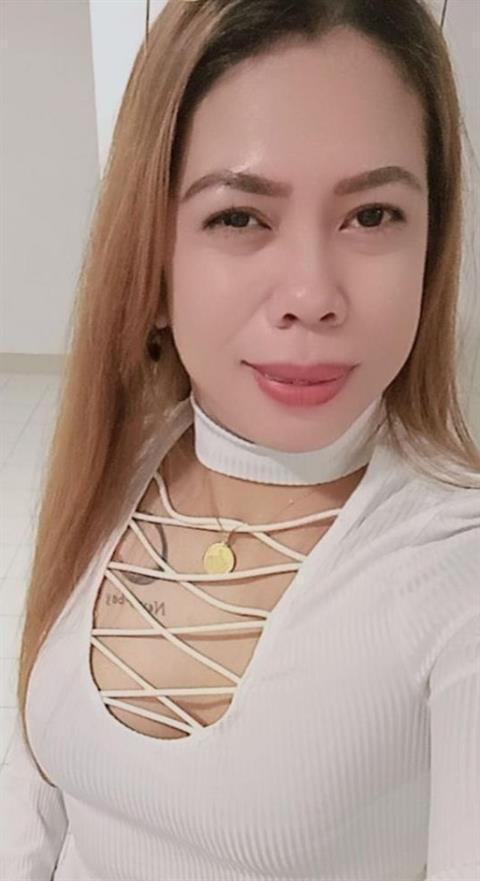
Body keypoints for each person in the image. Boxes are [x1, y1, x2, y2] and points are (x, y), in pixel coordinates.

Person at [1, 0, 479, 879]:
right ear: (153, 253)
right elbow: (28, 796)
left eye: (373, 215)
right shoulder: (112, 464)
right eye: (239, 217)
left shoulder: (457, 570)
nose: (312, 294)